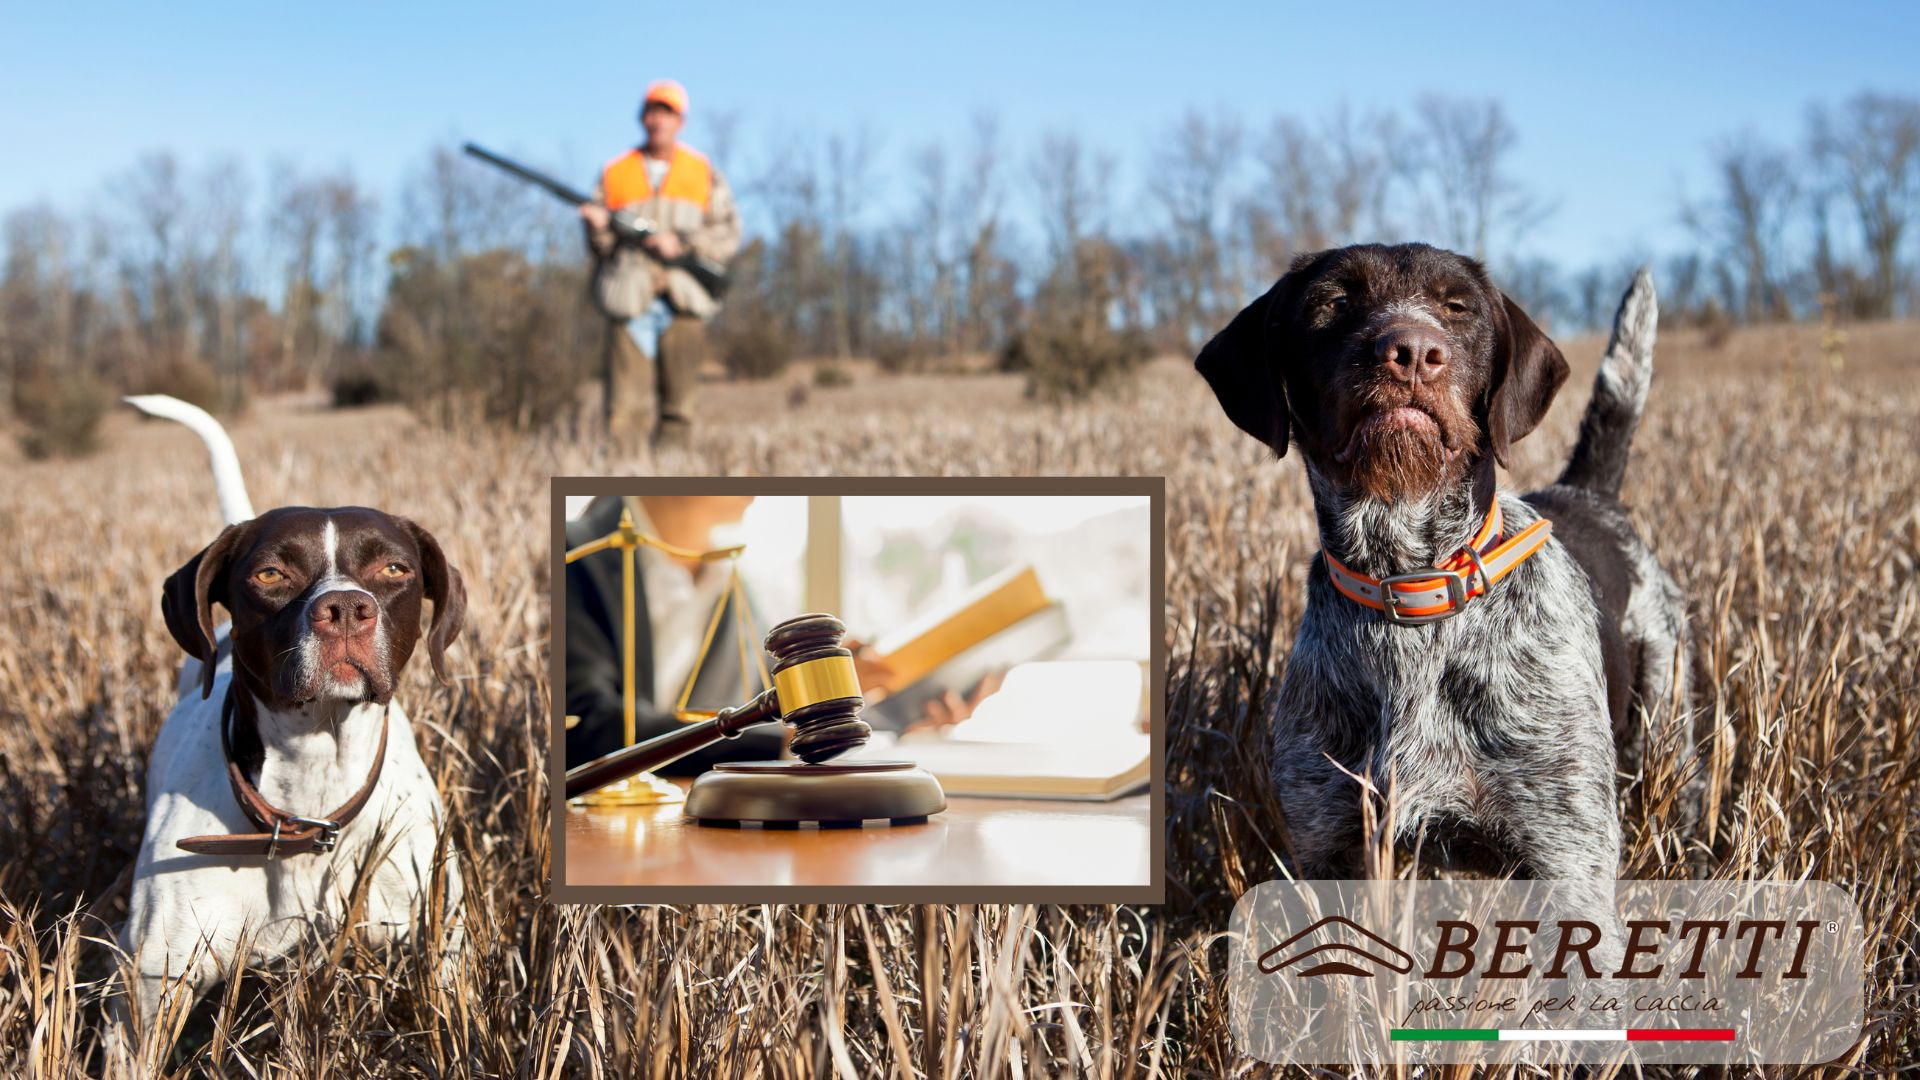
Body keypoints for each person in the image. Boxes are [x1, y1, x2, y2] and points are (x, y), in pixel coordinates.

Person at [580, 80, 741, 449]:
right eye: (652, 111)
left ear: (680, 121)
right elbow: (599, 248)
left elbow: (729, 232)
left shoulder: (702, 172)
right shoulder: (615, 172)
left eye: (666, 113)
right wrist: (596, 228)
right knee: (623, 414)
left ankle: (671, 489)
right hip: (629, 298)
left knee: (680, 410)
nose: (658, 120)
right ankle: (622, 492)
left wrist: (681, 243)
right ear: (642, 118)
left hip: (683, 297)